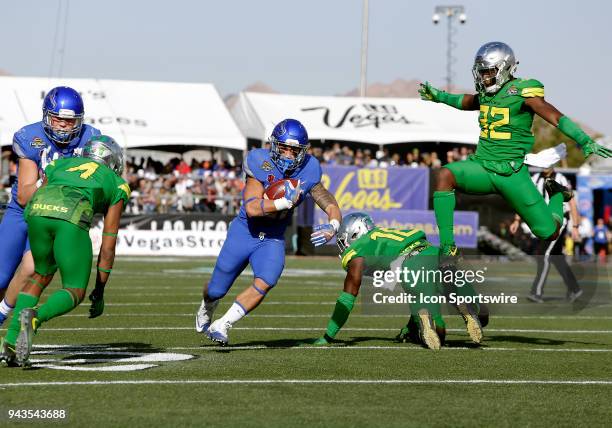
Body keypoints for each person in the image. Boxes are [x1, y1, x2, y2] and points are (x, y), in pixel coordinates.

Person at [419, 42, 612, 262]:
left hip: (512, 175)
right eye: (481, 72)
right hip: (482, 166)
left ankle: (558, 193)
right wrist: (439, 96)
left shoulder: (523, 91)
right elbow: (466, 101)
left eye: (489, 72)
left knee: (548, 232)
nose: (484, 77)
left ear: (505, 68)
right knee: (444, 175)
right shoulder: (486, 94)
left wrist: (584, 140)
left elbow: (556, 117)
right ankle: (448, 247)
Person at [195, 119, 342, 345]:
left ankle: (223, 324)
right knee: (215, 290)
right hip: (245, 232)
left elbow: (327, 200)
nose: (287, 153)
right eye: (283, 147)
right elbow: (253, 209)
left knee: (267, 279)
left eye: (294, 149)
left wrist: (333, 224)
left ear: (303, 151)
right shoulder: (258, 160)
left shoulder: (310, 168)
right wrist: (284, 202)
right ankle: (208, 305)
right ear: (273, 145)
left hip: (272, 237)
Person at [0, 135, 130, 367]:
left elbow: (43, 188)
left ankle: (9, 341)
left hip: (36, 211)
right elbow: (108, 244)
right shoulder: (118, 184)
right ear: (112, 161)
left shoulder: (59, 163)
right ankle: (35, 320)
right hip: (71, 216)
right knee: (75, 289)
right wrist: (99, 291)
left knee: (40, 274)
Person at [0, 87, 100, 326]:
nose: (64, 126)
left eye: (70, 120)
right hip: (22, 213)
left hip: (53, 212)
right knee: (1, 276)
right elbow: (24, 196)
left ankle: (1, 316)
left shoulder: (90, 138)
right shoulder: (30, 137)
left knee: (31, 266)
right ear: (47, 116)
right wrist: (49, 180)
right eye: (58, 119)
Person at [312, 212, 485, 350]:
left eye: (344, 241)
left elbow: (347, 298)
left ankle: (423, 319)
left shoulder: (358, 251)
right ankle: (466, 307)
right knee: (481, 313)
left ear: (355, 233)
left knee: (437, 332)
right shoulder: (386, 233)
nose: (344, 247)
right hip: (436, 254)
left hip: (412, 266)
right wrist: (409, 328)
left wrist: (328, 336)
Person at [510, 166, 582, 302]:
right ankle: (575, 289)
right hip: (543, 221)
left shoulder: (561, 178)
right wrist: (516, 220)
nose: (544, 166)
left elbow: (572, 202)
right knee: (556, 258)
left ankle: (536, 292)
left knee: (544, 254)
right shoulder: (535, 178)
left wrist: (575, 226)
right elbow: (524, 199)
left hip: (559, 221)